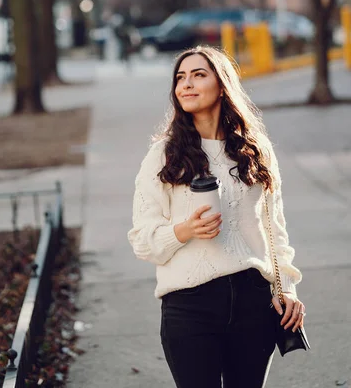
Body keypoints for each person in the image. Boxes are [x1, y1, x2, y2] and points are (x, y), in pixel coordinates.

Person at [128, 46, 304, 388]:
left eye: (198, 75)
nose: (186, 85)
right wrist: (184, 230)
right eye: (180, 78)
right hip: (190, 306)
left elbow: (274, 231)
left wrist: (288, 288)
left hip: (254, 300)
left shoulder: (255, 150)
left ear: (222, 85)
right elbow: (142, 240)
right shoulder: (164, 155)